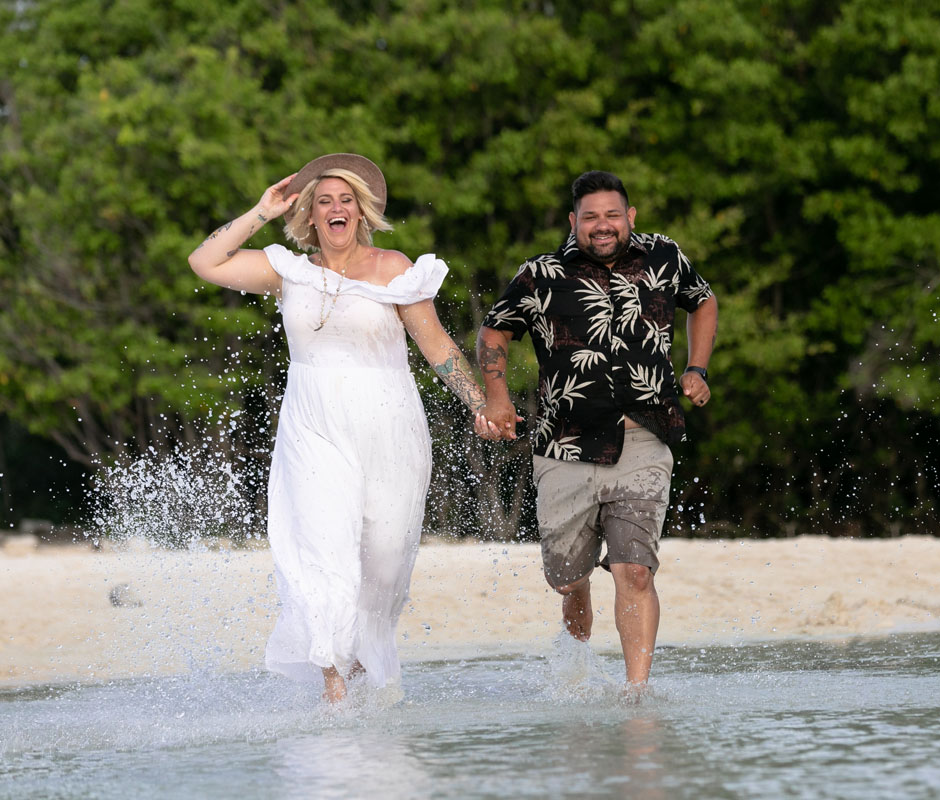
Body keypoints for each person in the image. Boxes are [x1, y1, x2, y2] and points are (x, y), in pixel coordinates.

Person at [188, 153, 494, 702]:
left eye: (345, 200)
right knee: (324, 551)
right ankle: (335, 688)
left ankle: (362, 672)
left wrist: (480, 404)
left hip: (390, 426)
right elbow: (206, 261)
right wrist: (262, 209)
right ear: (309, 214)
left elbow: (437, 346)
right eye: (324, 200)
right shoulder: (289, 271)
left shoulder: (395, 268)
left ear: (361, 212)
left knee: (382, 560)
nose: (336, 208)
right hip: (314, 426)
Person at [476, 170, 718, 687]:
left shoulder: (665, 256)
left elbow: (703, 300)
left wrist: (696, 368)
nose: (602, 226)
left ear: (630, 217)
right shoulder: (541, 273)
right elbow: (495, 328)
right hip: (564, 446)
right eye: (590, 218)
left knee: (635, 571)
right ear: (573, 222)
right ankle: (579, 588)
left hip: (644, 438)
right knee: (565, 581)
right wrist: (496, 399)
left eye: (612, 215)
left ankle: (637, 696)